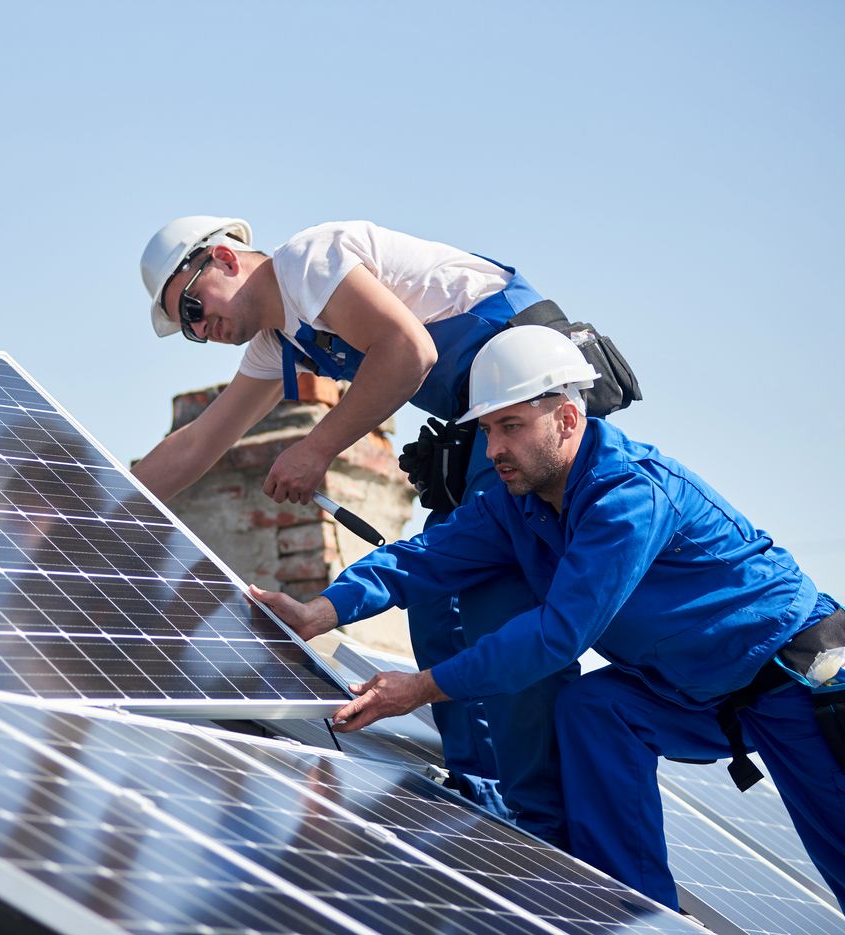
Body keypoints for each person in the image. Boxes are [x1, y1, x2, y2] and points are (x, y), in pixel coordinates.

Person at [251, 326, 845, 932]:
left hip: (797, 682)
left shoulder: (628, 496)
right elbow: (424, 557)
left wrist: (423, 687)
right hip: (694, 693)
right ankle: (637, 917)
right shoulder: (519, 504)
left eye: (511, 426)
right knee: (594, 707)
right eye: (487, 431)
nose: (496, 449)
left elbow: (556, 634)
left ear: (568, 418)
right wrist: (324, 610)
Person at [136, 216, 634, 844]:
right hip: (478, 422)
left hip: (525, 408)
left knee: (493, 606)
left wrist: (316, 449)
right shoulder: (279, 341)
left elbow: (409, 352)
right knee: (434, 606)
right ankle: (480, 797)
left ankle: (540, 826)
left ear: (225, 260)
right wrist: (92, 504)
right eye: (188, 330)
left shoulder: (308, 262)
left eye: (193, 307)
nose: (202, 330)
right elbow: (199, 444)